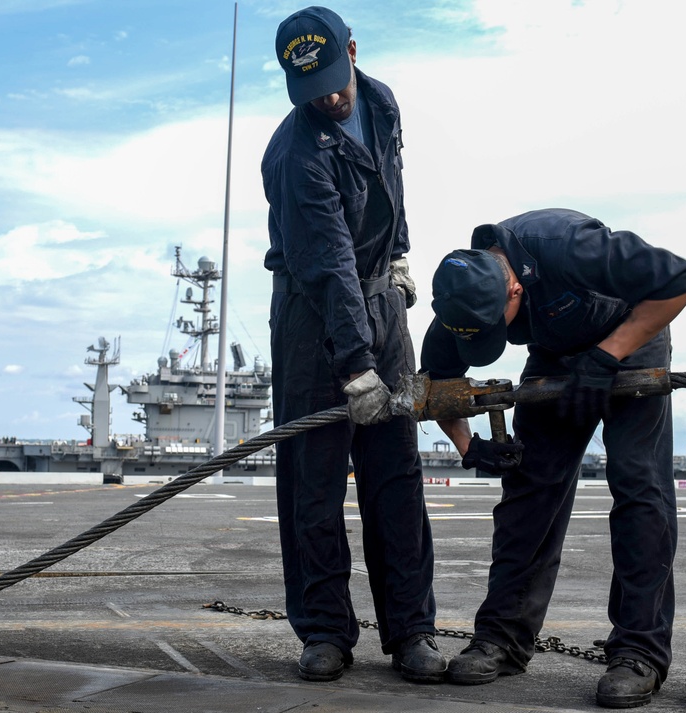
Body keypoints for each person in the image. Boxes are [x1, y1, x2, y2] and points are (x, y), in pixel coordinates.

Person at [421, 208, 686, 708]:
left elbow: (679, 278)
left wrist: (608, 355)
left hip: (632, 338)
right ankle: (503, 637)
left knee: (639, 489)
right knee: (528, 490)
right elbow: (439, 388)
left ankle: (640, 653)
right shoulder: (463, 303)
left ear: (515, 291)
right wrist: (467, 445)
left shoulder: (569, 245)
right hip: (556, 354)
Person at [262, 6, 444, 684]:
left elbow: (390, 189)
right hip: (313, 314)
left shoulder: (382, 102)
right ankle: (326, 630)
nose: (330, 98)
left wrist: (399, 257)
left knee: (396, 471)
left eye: (336, 82)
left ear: (354, 53)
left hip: (380, 297)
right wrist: (358, 370)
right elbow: (330, 263)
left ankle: (413, 628)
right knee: (314, 482)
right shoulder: (295, 155)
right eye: (313, 90)